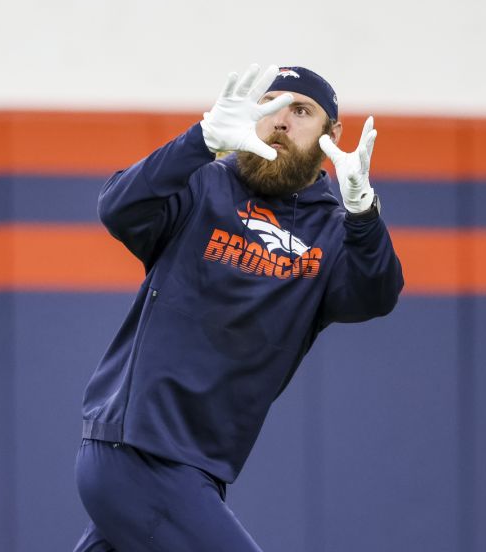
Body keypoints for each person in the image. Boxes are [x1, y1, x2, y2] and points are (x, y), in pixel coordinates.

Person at [72, 64, 406, 551]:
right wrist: (200, 140)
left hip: (202, 469)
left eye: (301, 110)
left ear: (332, 134)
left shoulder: (334, 234)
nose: (281, 120)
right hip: (138, 452)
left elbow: (377, 295)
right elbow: (118, 207)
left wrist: (363, 213)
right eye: (270, 104)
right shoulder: (204, 185)